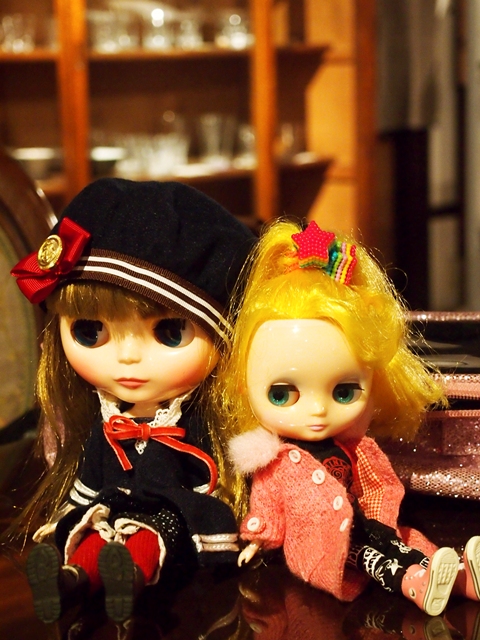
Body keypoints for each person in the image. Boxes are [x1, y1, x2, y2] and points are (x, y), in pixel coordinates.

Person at [9, 178, 256, 623]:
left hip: (175, 507)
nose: (126, 358)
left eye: (169, 332)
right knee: (91, 527)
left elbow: (213, 474)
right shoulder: (101, 418)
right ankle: (71, 578)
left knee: (154, 532)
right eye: (90, 331)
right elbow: (90, 475)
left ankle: (131, 576)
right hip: (112, 500)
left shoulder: (200, 417)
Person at [212, 219, 480, 617]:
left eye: (343, 392)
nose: (318, 411)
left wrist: (380, 518)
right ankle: (416, 585)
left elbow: (377, 485)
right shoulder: (274, 463)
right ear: (243, 384)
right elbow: (267, 509)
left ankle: (461, 578)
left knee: (405, 541)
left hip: (368, 522)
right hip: (324, 545)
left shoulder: (357, 448)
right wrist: (257, 537)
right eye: (283, 394)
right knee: (375, 558)